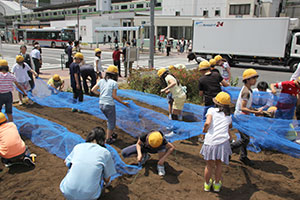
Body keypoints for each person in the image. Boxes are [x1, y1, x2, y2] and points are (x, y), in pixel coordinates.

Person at [60, 127, 116, 200]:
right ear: (103, 140)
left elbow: (66, 162)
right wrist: (107, 183)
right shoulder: (105, 153)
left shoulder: (78, 147)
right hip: (89, 196)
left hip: (67, 192)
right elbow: (107, 178)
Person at [200, 92, 233, 192]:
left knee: (209, 165)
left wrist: (204, 131)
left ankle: (207, 184)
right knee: (219, 164)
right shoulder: (228, 117)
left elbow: (208, 122)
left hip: (210, 142)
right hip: (222, 142)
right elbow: (229, 127)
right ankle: (217, 185)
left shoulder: (211, 110)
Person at [232, 68, 263, 166]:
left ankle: (243, 156)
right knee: (245, 139)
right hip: (241, 117)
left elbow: (247, 106)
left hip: (244, 117)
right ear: (248, 80)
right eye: (253, 78)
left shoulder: (249, 90)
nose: (255, 80)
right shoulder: (246, 92)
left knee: (244, 138)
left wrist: (255, 110)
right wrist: (254, 112)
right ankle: (229, 148)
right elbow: (243, 108)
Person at [91, 65, 129, 144]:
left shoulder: (101, 81)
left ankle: (111, 133)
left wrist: (101, 94)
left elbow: (93, 90)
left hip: (101, 104)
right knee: (112, 121)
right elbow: (114, 96)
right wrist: (123, 102)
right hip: (109, 105)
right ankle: (108, 139)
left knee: (109, 120)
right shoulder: (114, 83)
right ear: (115, 75)